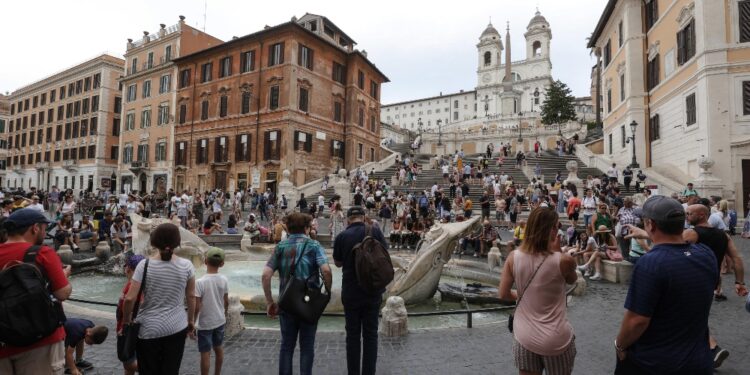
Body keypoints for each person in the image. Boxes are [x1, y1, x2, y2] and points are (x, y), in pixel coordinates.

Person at [615, 196, 718, 374]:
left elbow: (637, 321)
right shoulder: (706, 254)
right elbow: (678, 243)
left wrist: (620, 345)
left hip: (656, 363)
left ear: (651, 224)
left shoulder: (651, 263)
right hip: (699, 360)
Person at [499, 207, 578, 375]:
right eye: (556, 226)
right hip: (556, 339)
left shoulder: (513, 257)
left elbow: (503, 294)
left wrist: (524, 296)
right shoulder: (564, 260)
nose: (558, 231)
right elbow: (572, 280)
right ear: (551, 230)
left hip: (524, 336)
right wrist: (558, 253)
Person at [0, 209, 71, 375]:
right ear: (35, 228)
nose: (46, 232)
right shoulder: (42, 252)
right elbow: (63, 293)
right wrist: (64, 276)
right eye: (45, 228)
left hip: (3, 339)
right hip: (40, 341)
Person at [262, 213, 332, 375]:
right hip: (308, 304)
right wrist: (326, 293)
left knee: (287, 346)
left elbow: (266, 275)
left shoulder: (280, 247)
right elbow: (326, 271)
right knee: (307, 347)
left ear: (289, 228)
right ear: (307, 228)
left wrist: (269, 301)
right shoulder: (314, 246)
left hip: (286, 304)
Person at [122, 223, 196, 375]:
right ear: (177, 241)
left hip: (149, 329)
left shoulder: (144, 265)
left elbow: (130, 299)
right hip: (177, 326)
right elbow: (191, 297)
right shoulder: (187, 265)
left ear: (155, 241)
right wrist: (191, 321)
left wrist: (126, 321)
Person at [683, 204, 747, 368]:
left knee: (691, 316)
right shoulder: (723, 235)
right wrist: (739, 282)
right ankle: (706, 349)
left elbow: (668, 243)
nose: (686, 216)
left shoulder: (692, 233)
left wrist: (645, 234)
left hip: (691, 280)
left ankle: (712, 347)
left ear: (702, 215)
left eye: (689, 213)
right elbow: (737, 259)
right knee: (693, 315)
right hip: (712, 280)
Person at [333, 206, 388, 375]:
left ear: (348, 219)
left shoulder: (342, 236)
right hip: (373, 290)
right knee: (371, 335)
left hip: (351, 292)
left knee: (353, 335)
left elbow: (338, 263)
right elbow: (386, 254)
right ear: (364, 217)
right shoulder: (375, 231)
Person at [194, 248, 229, 375]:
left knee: (205, 353)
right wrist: (224, 314)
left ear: (205, 261)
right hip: (219, 320)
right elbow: (226, 301)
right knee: (218, 348)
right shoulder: (224, 279)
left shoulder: (200, 282)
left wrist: (193, 322)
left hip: (205, 323)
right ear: (222, 264)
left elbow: (197, 306)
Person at [116, 255, 144, 375]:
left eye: (126, 266)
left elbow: (129, 303)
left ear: (129, 268)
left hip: (129, 328)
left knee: (128, 361)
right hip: (135, 327)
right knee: (128, 365)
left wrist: (125, 324)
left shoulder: (133, 285)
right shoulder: (139, 283)